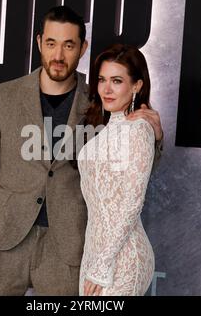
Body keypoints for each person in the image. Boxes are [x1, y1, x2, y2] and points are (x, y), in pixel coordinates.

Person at [0, 6, 163, 296]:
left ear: (82, 48)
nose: (58, 55)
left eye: (69, 45)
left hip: (68, 248)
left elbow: (130, 175)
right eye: (51, 43)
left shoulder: (102, 103)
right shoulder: (5, 96)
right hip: (1, 240)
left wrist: (155, 139)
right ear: (40, 42)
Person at [78, 44, 157, 296]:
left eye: (117, 80)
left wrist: (102, 265)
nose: (106, 89)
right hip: (94, 252)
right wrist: (94, 261)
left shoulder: (139, 129)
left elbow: (132, 202)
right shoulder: (104, 130)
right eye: (102, 80)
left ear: (136, 86)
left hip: (122, 257)